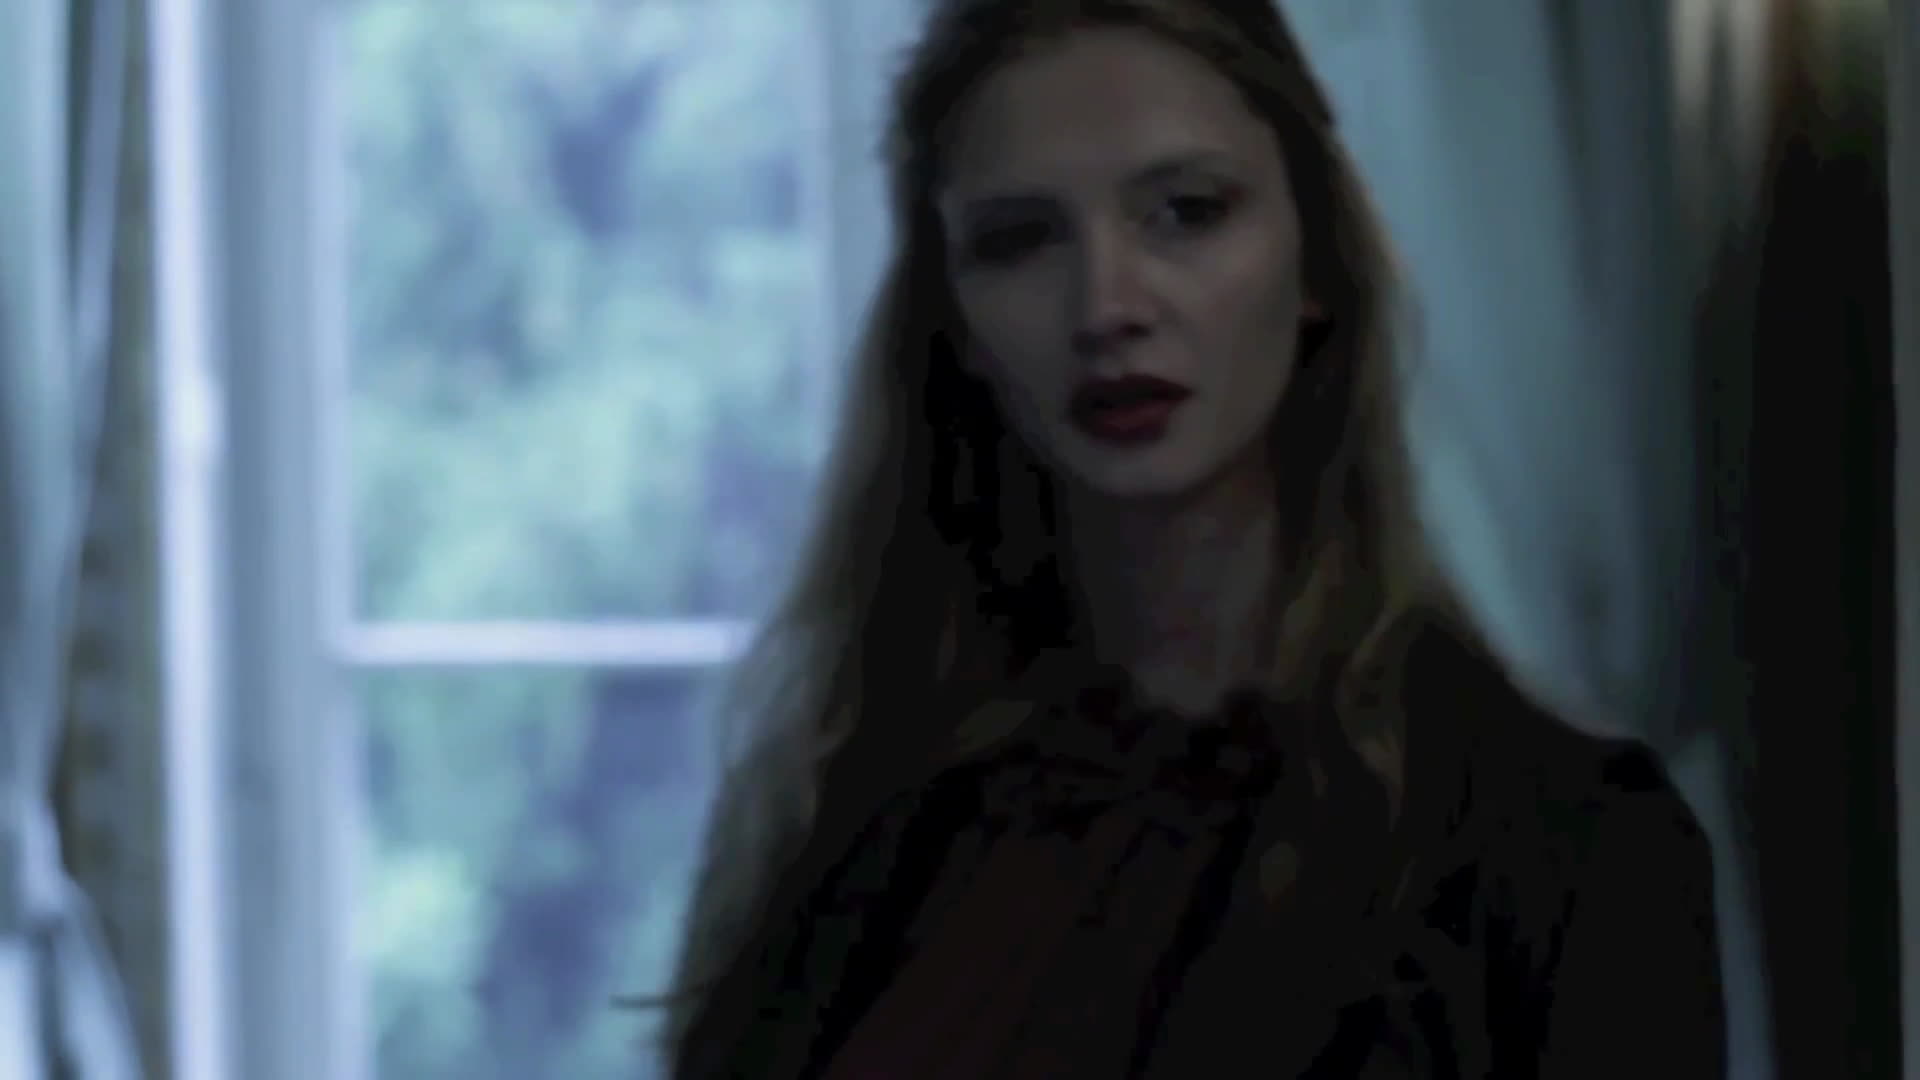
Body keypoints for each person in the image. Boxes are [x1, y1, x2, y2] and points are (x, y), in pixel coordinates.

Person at [655, 1, 1726, 1076]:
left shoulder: (1562, 841)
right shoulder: (850, 799)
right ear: (956, 325)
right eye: (1020, 239)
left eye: (1187, 212)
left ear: (1316, 265)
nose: (1106, 306)